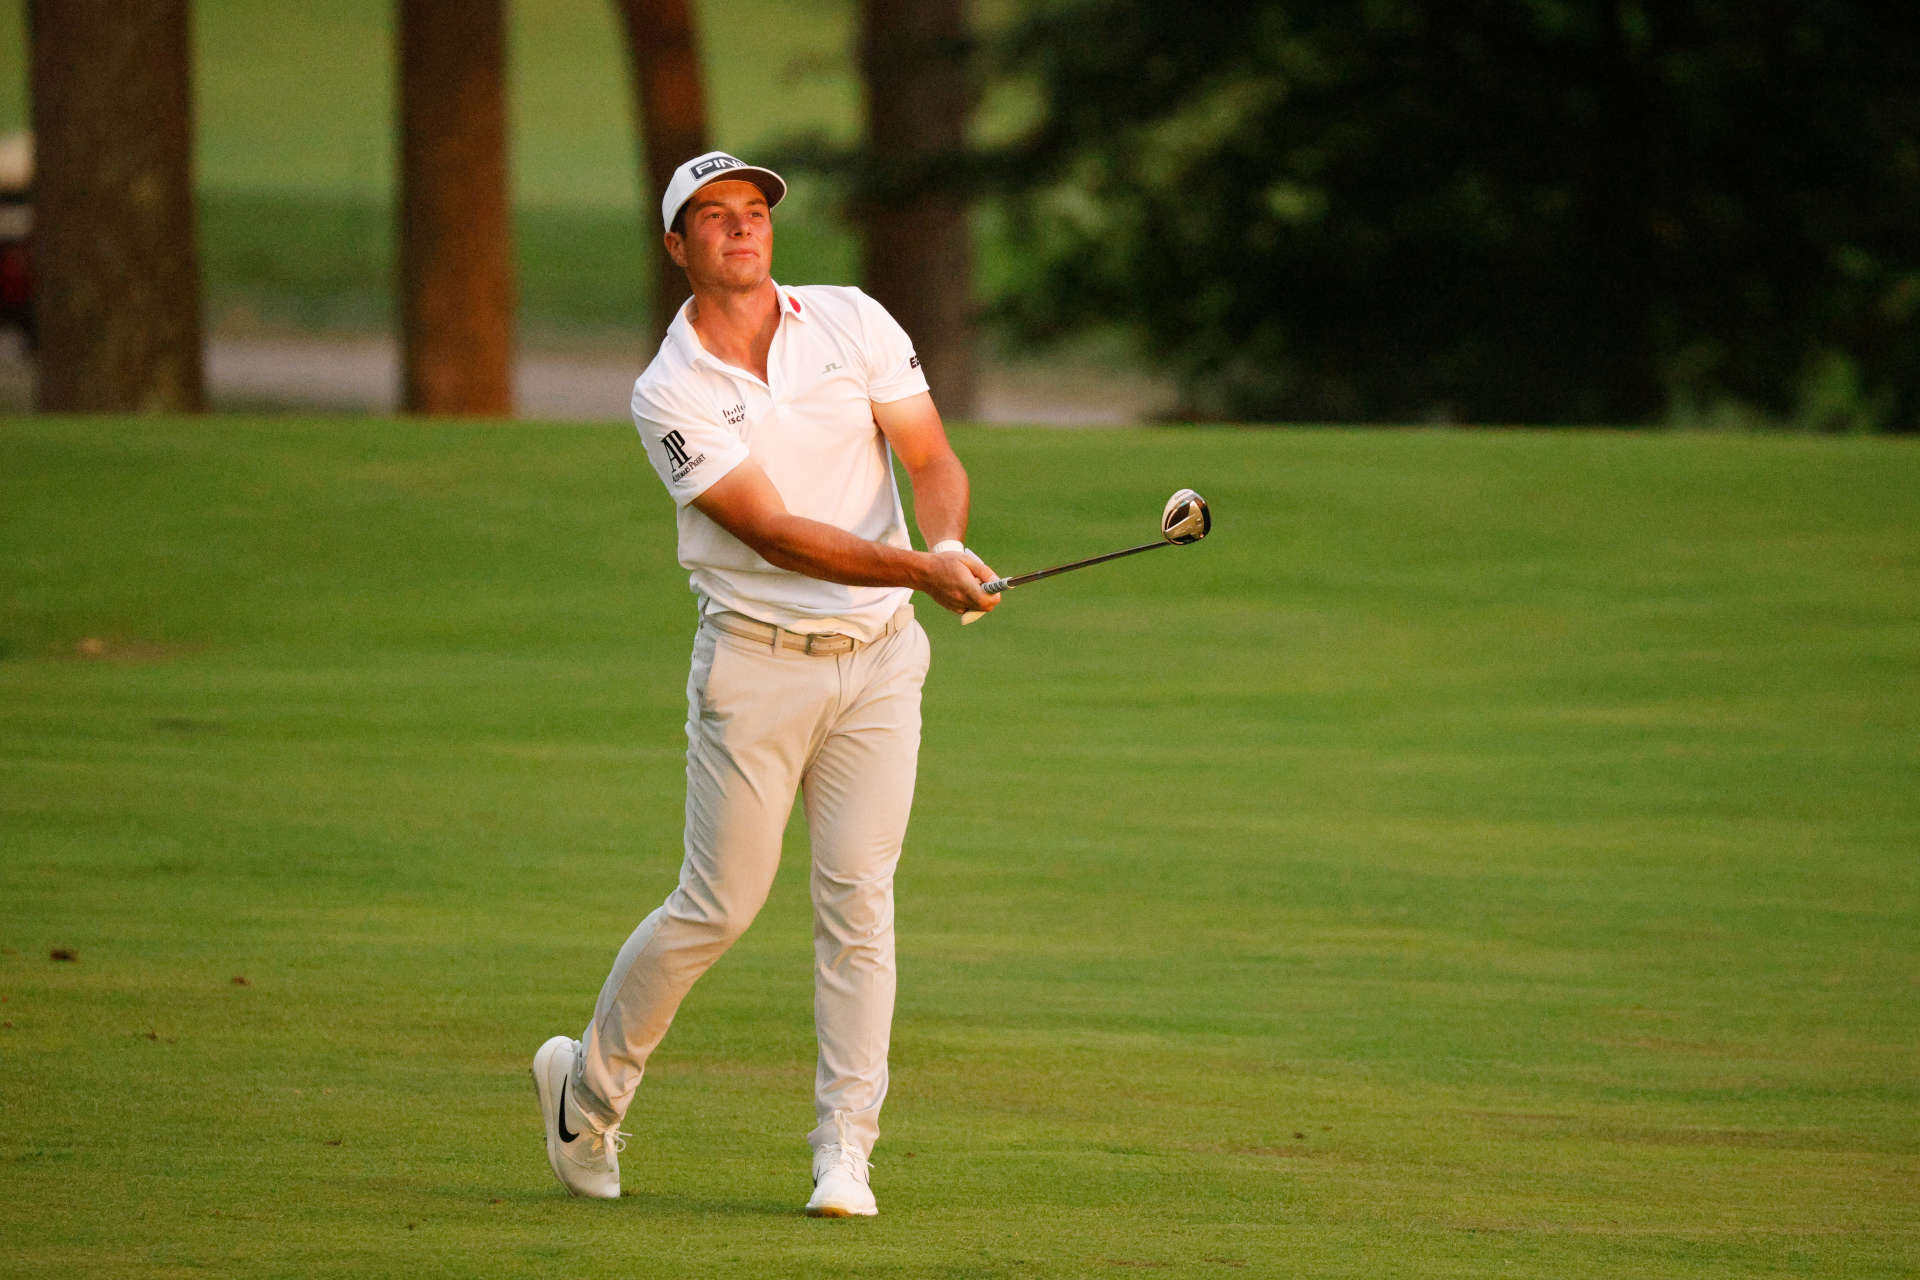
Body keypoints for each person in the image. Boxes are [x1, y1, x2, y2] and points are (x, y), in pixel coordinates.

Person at [531, 151, 1000, 1217]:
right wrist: (922, 571)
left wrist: (950, 540)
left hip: (879, 659)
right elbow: (779, 535)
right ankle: (587, 1096)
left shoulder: (850, 319)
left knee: (858, 900)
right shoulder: (672, 391)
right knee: (719, 904)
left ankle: (847, 1148)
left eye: (754, 213)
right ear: (676, 247)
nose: (742, 230)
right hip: (755, 662)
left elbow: (927, 453)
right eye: (713, 217)